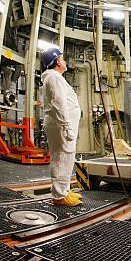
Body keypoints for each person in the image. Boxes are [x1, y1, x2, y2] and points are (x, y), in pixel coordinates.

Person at [41, 48, 82, 206]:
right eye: (63, 58)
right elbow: (59, 103)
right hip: (61, 124)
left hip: (61, 124)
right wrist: (66, 126)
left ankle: (63, 190)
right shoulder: (54, 78)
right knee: (62, 157)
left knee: (66, 156)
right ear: (57, 61)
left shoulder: (55, 78)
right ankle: (59, 196)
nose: (65, 61)